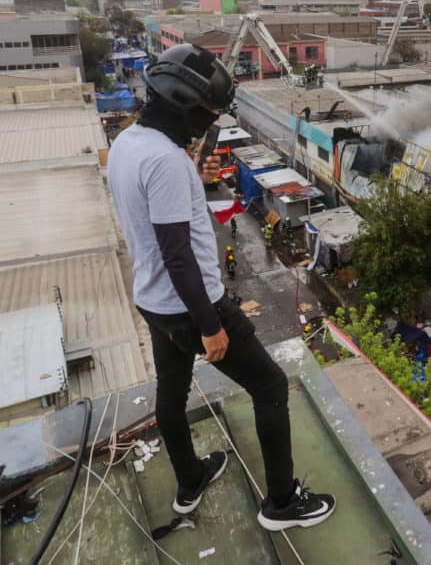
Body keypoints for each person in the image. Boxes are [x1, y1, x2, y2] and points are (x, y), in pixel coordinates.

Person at [107, 43, 336, 531]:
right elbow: (178, 253)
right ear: (185, 104)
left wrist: (195, 177)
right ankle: (281, 503)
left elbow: (158, 215)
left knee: (170, 392)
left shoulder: (130, 144)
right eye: (209, 111)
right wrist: (211, 326)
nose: (209, 122)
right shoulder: (165, 161)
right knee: (270, 386)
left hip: (152, 302)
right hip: (193, 306)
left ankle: (189, 482)